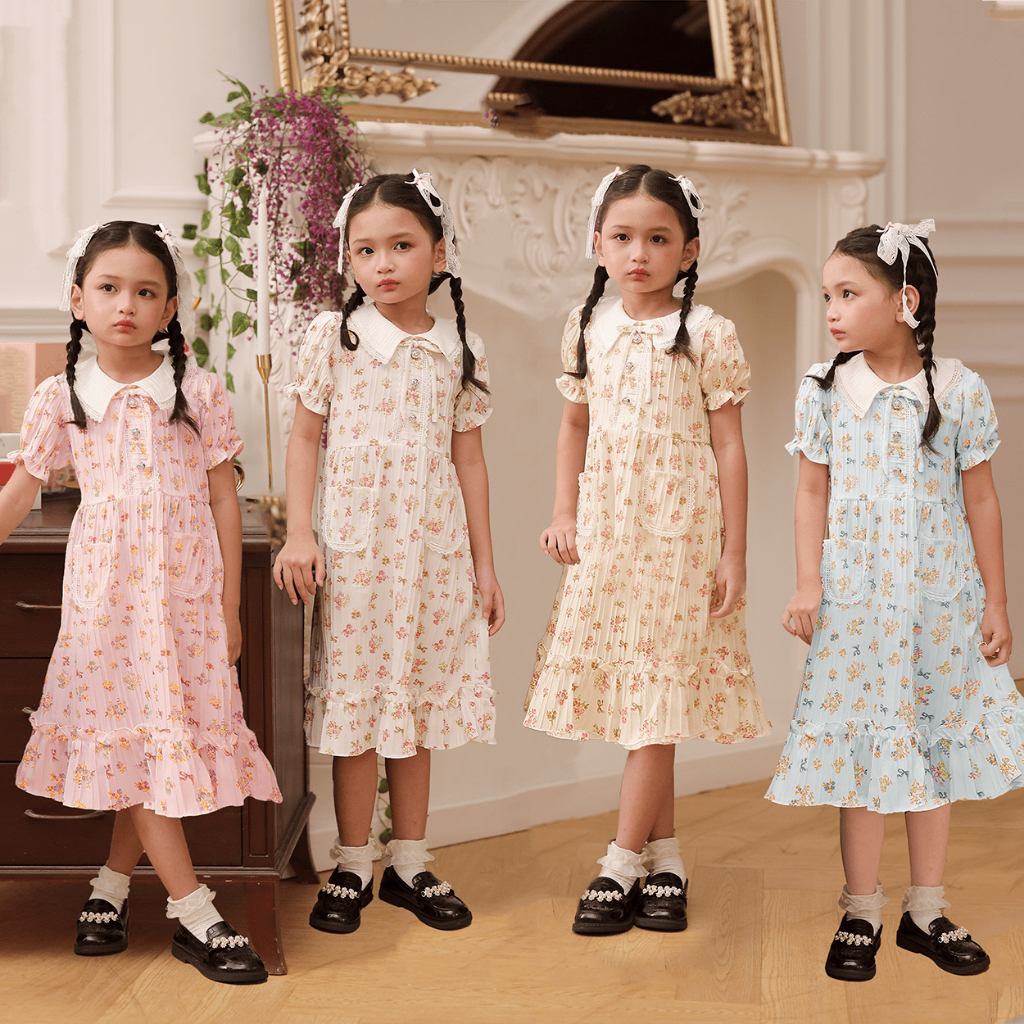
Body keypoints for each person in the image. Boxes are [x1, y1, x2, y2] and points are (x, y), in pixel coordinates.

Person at [0, 221, 280, 984]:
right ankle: (195, 912)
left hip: (185, 599)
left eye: (145, 291)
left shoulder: (199, 391)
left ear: (169, 307)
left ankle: (111, 887)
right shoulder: (60, 396)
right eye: (109, 288)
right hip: (106, 602)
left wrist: (229, 608)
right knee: (136, 738)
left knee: (152, 744)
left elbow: (223, 501)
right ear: (78, 300)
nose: (126, 304)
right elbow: (21, 492)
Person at [767, 220, 1020, 981]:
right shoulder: (824, 389)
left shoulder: (960, 390)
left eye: (849, 294)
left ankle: (926, 910)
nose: (832, 311)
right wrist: (808, 582)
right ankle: (861, 910)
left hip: (941, 605)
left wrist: (997, 602)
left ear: (904, 301)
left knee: (933, 749)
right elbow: (812, 491)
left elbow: (982, 501)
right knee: (864, 755)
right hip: (858, 608)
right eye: (827, 296)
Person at [525, 164, 769, 935]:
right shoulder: (585, 328)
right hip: (609, 533)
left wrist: (734, 552)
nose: (639, 253)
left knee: (657, 700)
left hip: (680, 539)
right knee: (642, 699)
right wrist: (564, 510)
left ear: (688, 251)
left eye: (659, 239)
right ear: (598, 244)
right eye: (624, 237)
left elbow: (730, 447)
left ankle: (620, 860)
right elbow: (574, 424)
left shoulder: (708, 334)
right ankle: (667, 861)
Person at [273, 171, 503, 935]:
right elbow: (304, 438)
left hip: (432, 555)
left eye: (401, 246)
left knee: (415, 706)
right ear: (349, 259)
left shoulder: (460, 347)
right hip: (357, 554)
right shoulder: (333, 338)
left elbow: (469, 459)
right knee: (358, 706)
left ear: (439, 254)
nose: (383, 264)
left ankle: (409, 861)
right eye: (365, 250)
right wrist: (300, 532)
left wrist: (484, 565)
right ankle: (351, 864)